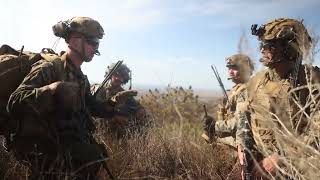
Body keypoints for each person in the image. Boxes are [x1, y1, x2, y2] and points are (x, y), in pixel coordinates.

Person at [7, 17, 116, 179]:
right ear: (75, 40)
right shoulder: (49, 69)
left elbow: (91, 106)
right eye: (91, 42)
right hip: (40, 147)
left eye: (97, 43)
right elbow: (14, 102)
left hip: (63, 142)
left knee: (94, 155)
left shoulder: (80, 78)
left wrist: (114, 108)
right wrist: (52, 90)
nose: (95, 48)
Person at [236, 18, 320, 179]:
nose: (262, 49)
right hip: (260, 163)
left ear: (290, 48)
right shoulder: (256, 81)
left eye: (270, 45)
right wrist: (242, 146)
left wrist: (282, 157)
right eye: (262, 44)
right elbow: (243, 116)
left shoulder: (313, 81)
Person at [92, 63, 148, 139]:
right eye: (117, 75)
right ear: (110, 74)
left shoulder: (124, 93)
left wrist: (140, 111)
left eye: (122, 76)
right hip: (100, 127)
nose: (119, 79)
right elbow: (96, 111)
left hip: (119, 129)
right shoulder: (100, 90)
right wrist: (114, 117)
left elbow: (136, 107)